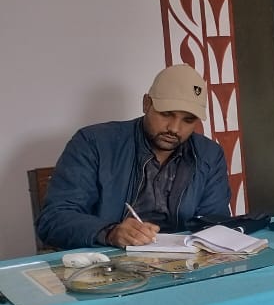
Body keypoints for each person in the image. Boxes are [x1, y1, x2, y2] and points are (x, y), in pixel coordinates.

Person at [37, 64, 231, 250]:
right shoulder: (94, 143)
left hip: (185, 266)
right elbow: (53, 219)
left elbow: (215, 224)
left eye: (188, 120)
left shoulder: (209, 155)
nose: (174, 128)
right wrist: (110, 232)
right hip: (110, 264)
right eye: (166, 114)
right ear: (146, 103)